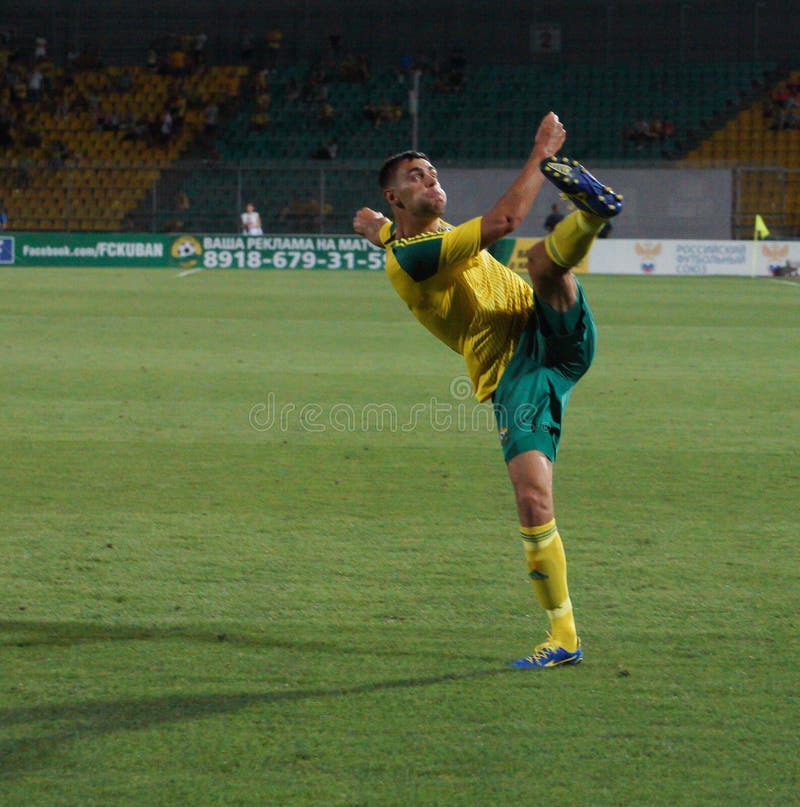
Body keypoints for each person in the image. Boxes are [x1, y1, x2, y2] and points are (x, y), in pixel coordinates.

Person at [353, 112, 623, 669]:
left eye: (432, 172)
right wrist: (541, 155)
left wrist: (376, 228)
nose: (430, 180)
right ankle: (565, 635)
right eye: (416, 176)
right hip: (515, 373)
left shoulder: (430, 238)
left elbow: (441, 231)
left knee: (546, 264)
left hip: (553, 333)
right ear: (393, 195)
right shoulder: (415, 256)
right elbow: (502, 220)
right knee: (533, 499)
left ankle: (592, 214)